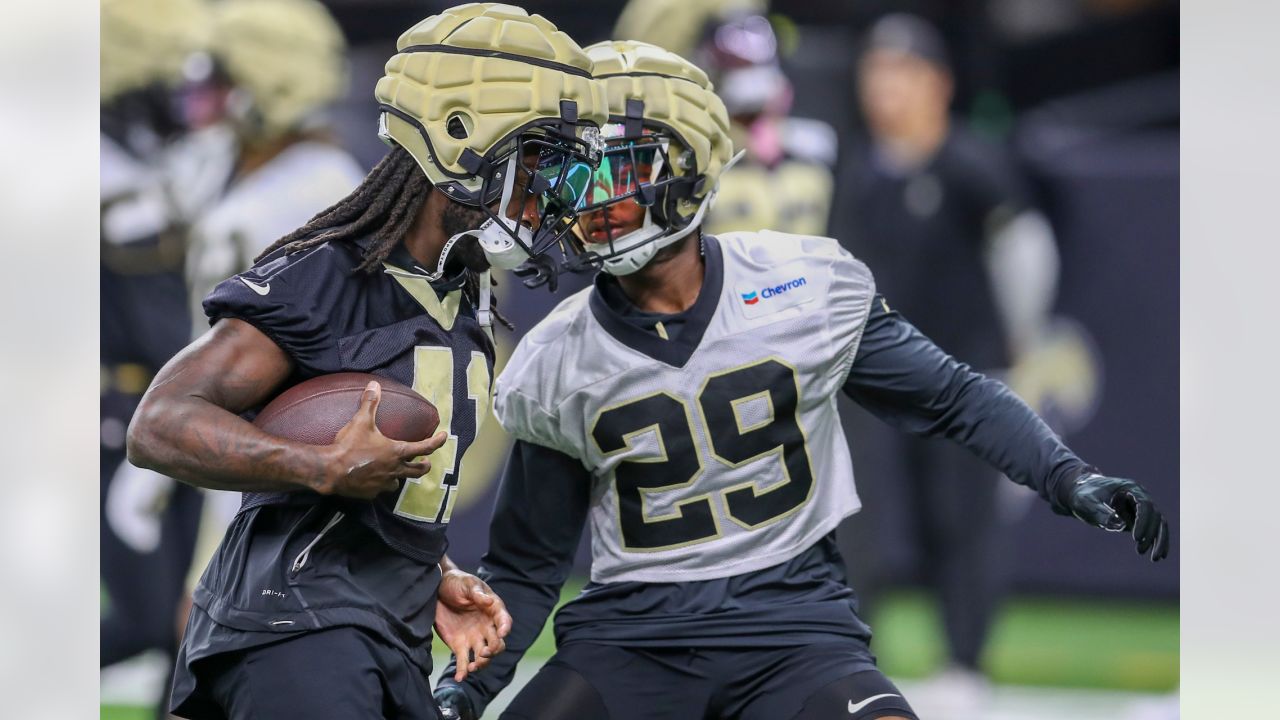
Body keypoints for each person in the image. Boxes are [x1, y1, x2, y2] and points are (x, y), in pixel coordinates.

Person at [430, 40, 1168, 720]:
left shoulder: (802, 286)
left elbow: (954, 398)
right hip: (631, 640)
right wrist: (470, 688)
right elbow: (527, 566)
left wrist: (1066, 476)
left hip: (794, 632)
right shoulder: (555, 356)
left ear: (687, 171)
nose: (586, 199)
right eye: (571, 172)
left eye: (614, 171)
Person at [125, 4, 607, 718]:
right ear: (459, 140)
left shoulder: (462, 288)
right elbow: (158, 423)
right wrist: (311, 466)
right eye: (539, 160)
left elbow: (375, 483)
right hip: (299, 631)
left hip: (381, 628)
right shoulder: (329, 273)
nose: (553, 194)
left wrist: (429, 567)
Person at [831, 13, 1066, 702]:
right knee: (856, 520)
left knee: (960, 519)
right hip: (872, 380)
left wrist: (1018, 339)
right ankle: (851, 658)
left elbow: (1025, 251)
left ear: (938, 83)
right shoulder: (857, 171)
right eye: (876, 71)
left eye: (902, 73)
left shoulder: (972, 163)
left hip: (960, 378)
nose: (886, 89)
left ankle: (964, 664)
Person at [100, 0, 211, 694]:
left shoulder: (168, 157)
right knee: (146, 616)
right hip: (117, 405)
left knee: (185, 621)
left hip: (184, 400)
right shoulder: (92, 161)